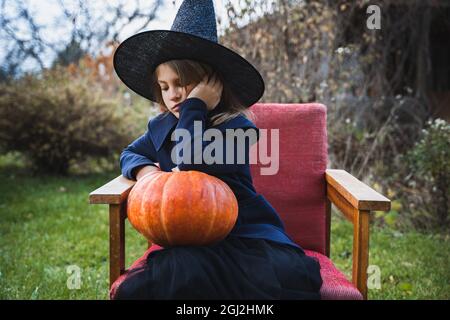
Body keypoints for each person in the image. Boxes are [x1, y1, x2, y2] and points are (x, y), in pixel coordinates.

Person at [111, 0, 322, 300]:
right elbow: (129, 153)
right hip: (193, 243)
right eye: (165, 86)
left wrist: (195, 106)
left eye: (184, 83)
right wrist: (146, 172)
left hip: (248, 238)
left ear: (211, 85)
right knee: (173, 274)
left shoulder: (237, 129)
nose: (173, 94)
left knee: (275, 278)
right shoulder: (161, 129)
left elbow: (190, 157)